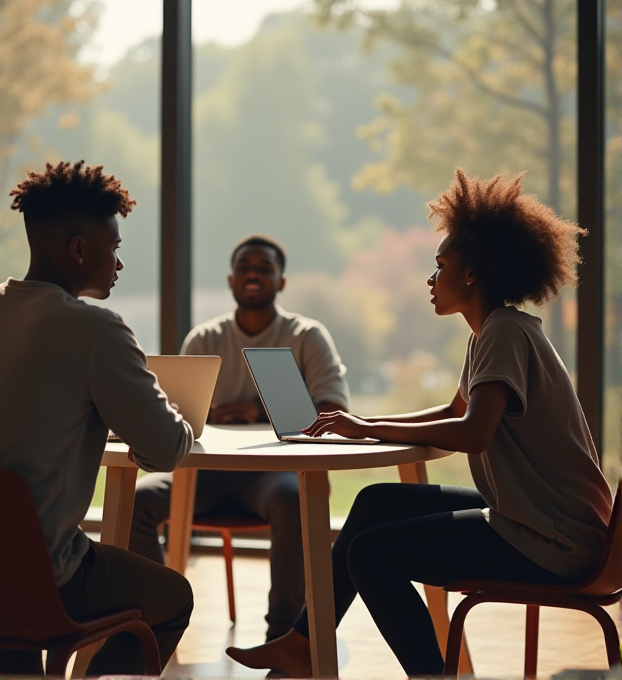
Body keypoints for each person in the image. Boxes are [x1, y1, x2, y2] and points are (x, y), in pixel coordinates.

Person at [225, 169, 614, 677]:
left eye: (441, 265)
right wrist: (363, 422)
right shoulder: (494, 332)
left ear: (471, 273)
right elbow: (455, 412)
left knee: (369, 555)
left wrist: (368, 430)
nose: (430, 278)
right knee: (375, 502)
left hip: (552, 540)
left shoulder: (503, 334)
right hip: (534, 519)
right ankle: (303, 642)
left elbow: (471, 433)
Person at [0, 161, 195, 676]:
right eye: (115, 249)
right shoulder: (95, 330)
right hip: (43, 580)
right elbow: (167, 449)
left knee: (11, 568)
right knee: (174, 597)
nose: (119, 265)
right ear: (80, 249)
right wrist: (182, 418)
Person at [129, 234, 350, 641]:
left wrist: (258, 410)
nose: (253, 275)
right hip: (204, 474)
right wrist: (209, 413)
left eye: (264, 269)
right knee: (138, 499)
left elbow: (334, 412)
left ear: (281, 282)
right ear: (231, 280)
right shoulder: (204, 338)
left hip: (271, 476)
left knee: (292, 497)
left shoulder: (306, 335)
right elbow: (177, 408)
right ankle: (157, 619)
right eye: (245, 268)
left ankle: (285, 634)